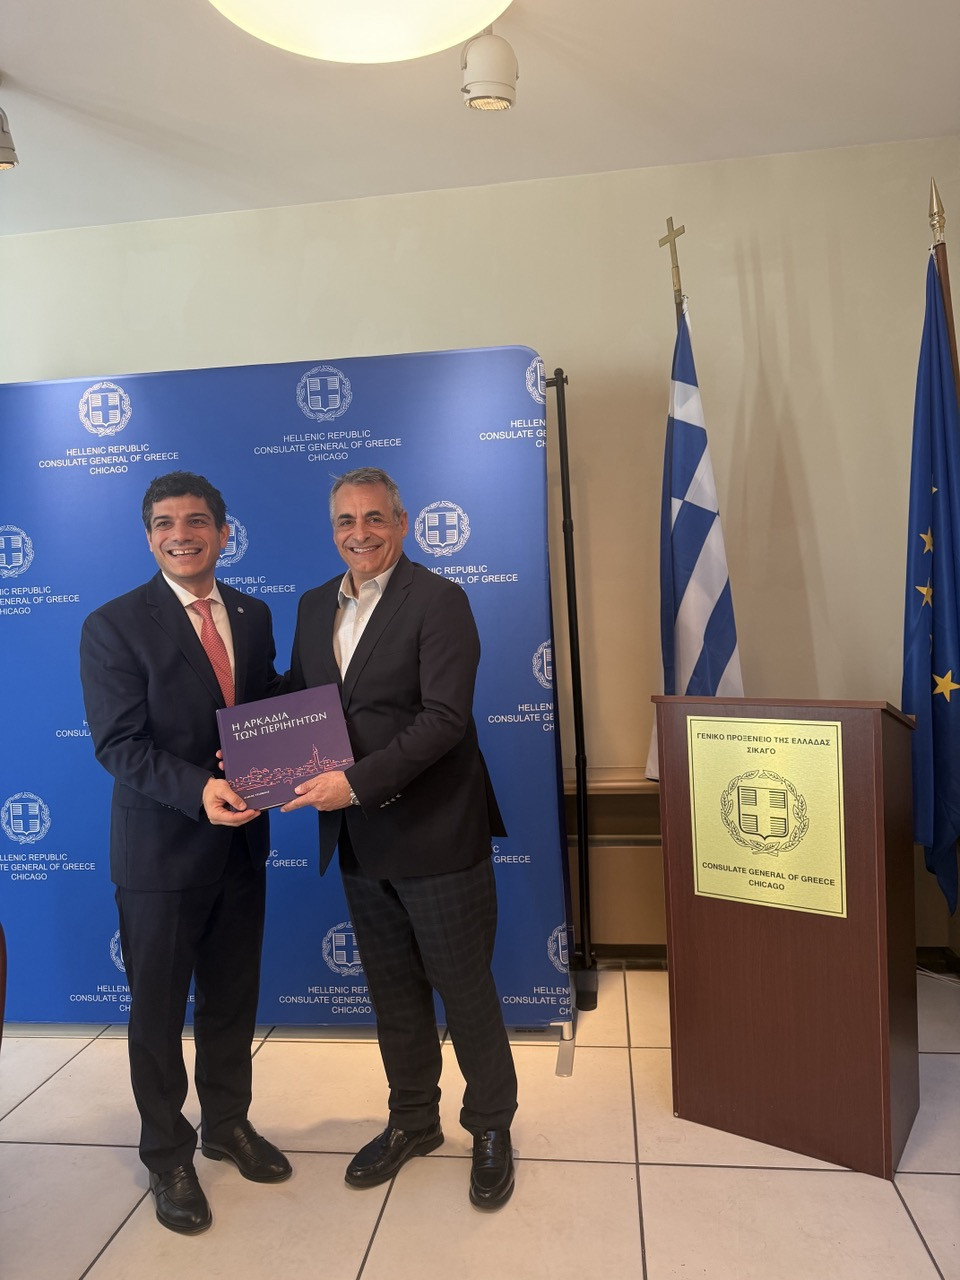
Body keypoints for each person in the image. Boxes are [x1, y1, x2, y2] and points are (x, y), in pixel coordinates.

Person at [282, 466, 517, 1211]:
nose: (360, 533)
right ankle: (413, 1120)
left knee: (465, 990)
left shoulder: (440, 600)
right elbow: (301, 699)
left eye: (374, 518)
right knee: (392, 994)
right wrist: (248, 746)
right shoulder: (314, 604)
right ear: (333, 530)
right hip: (359, 840)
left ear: (402, 523)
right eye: (346, 521)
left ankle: (490, 1125)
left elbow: (444, 719)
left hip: (436, 833)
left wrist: (353, 783)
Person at [79, 471, 291, 1236]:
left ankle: (226, 1125)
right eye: (165, 523)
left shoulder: (254, 614)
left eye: (197, 521)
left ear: (223, 533)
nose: (182, 534)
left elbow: (263, 708)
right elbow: (119, 744)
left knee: (232, 1000)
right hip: (160, 856)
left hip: (241, 846)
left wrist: (306, 737)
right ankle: (167, 1153)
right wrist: (200, 788)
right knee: (158, 1012)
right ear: (149, 538)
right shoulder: (113, 625)